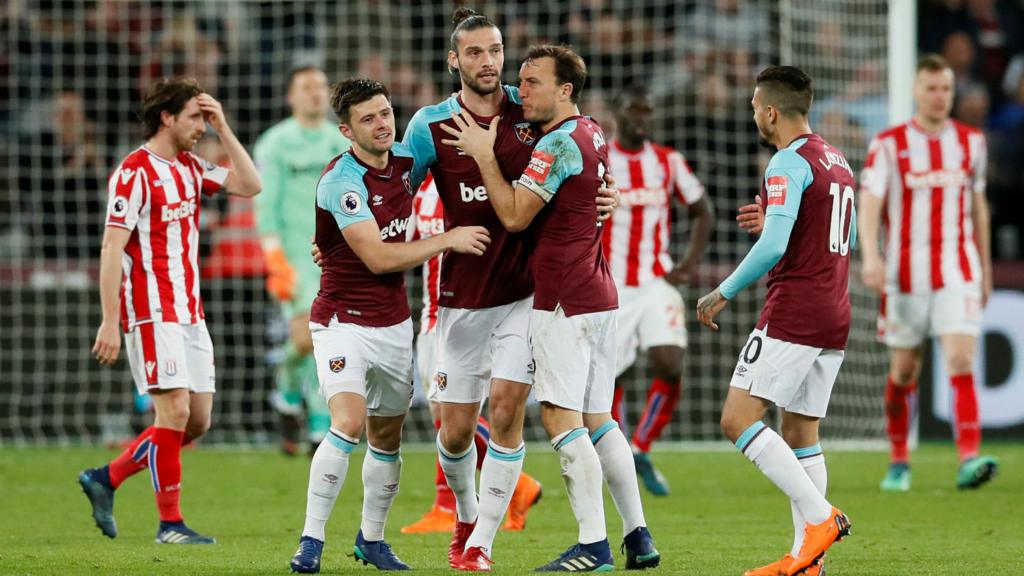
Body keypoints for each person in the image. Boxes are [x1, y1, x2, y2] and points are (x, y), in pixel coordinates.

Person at [401, 9, 616, 569]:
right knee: (451, 435)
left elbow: (582, 160)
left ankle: (479, 544)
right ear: (454, 60)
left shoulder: (532, 109)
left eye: (495, 50)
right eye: (474, 52)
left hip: (527, 295)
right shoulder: (429, 125)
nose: (489, 61)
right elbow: (393, 194)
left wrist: (606, 197)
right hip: (462, 298)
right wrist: (341, 238)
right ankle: (467, 512)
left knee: (505, 411)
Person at [443, 44, 659, 573]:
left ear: (566, 90)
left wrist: (484, 154)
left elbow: (516, 216)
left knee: (561, 418)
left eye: (534, 81)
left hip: (563, 298)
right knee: (600, 420)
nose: (523, 90)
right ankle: (638, 535)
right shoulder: (592, 132)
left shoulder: (557, 144)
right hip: (601, 293)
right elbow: (592, 192)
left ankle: (593, 544)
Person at [287, 78, 490, 574]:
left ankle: (371, 540)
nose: (381, 125)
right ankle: (311, 541)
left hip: (395, 324)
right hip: (341, 322)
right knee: (348, 422)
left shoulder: (405, 163)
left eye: (385, 114)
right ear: (346, 130)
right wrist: (448, 238)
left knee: (387, 437)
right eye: (368, 119)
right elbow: (378, 258)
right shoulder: (340, 180)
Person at [80, 76, 262, 544]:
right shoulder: (134, 172)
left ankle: (108, 477)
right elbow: (110, 248)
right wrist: (108, 320)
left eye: (205, 118)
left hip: (189, 312)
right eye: (195, 118)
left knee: (196, 421)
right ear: (167, 118)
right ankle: (170, 525)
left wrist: (223, 125)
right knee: (174, 411)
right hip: (149, 310)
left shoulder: (191, 166)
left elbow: (250, 183)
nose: (201, 126)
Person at [696, 66, 854, 576]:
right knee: (801, 431)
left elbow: (775, 245)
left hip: (797, 310)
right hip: (835, 310)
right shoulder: (836, 159)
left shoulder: (787, 161)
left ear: (770, 111)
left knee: (737, 419)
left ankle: (819, 519)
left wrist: (723, 291)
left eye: (753, 108)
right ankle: (808, 563)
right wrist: (778, 222)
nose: (753, 117)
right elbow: (823, 234)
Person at [860, 54, 998, 492]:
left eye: (946, 89)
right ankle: (899, 460)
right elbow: (869, 204)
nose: (940, 97)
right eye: (932, 88)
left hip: (958, 270)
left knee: (960, 360)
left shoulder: (972, 142)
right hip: (904, 276)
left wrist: (986, 269)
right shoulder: (888, 144)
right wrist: (871, 256)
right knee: (904, 371)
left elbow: (978, 206)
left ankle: (969, 458)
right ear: (916, 90)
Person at [400, 174, 543, 535]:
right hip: (435, 315)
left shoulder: (484, 184)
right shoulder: (419, 186)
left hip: (476, 314)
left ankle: (501, 490)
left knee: (451, 411)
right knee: (443, 413)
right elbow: (400, 243)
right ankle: (449, 504)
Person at [604, 85, 714, 496]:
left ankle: (640, 447)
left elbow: (703, 210)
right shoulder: (602, 161)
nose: (641, 118)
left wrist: (687, 265)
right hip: (610, 285)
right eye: (634, 110)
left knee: (670, 363)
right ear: (618, 112)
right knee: (611, 376)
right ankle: (615, 452)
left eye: (647, 111)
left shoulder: (667, 162)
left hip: (656, 281)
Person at [254, 66, 350, 456]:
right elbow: (266, 204)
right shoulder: (274, 144)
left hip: (333, 258)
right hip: (293, 257)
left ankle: (313, 420)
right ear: (290, 97)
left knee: (323, 337)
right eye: (305, 87)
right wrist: (273, 256)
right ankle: (288, 391)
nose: (314, 93)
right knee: (304, 338)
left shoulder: (338, 141)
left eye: (319, 86)